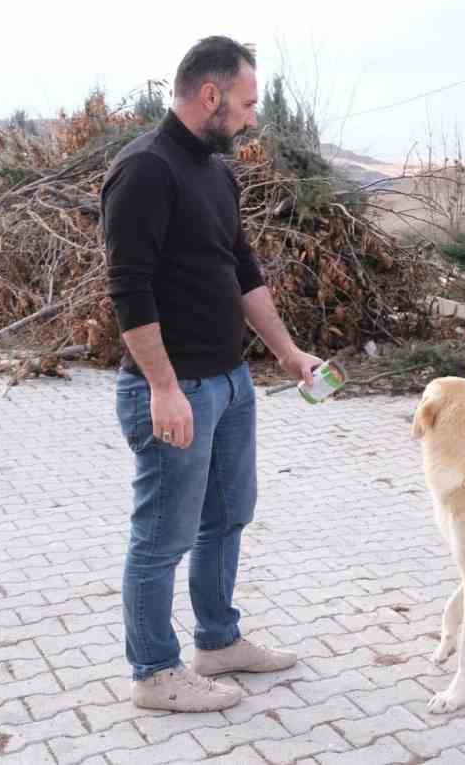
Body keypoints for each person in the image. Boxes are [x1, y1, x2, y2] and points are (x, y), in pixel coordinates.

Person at [101, 36, 323, 712]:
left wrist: (287, 353)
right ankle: (154, 673)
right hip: (174, 390)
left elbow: (243, 274)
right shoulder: (143, 170)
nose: (253, 117)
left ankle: (219, 642)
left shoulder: (218, 172)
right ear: (210, 95)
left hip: (229, 383)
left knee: (227, 517)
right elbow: (128, 290)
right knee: (162, 537)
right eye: (248, 103)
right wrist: (164, 389)